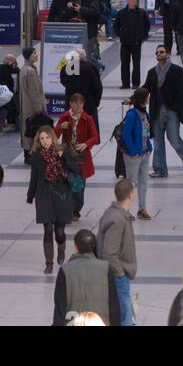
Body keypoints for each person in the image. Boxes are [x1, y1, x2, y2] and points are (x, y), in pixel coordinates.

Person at [27, 125, 79, 275]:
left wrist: (64, 157)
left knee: (59, 231)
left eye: (47, 138)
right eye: (42, 139)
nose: (45, 141)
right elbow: (34, 177)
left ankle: (61, 248)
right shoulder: (36, 155)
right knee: (47, 229)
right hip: (44, 195)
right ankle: (48, 263)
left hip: (61, 194)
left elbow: (76, 169)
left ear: (52, 138)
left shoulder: (63, 151)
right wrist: (30, 196)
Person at [52, 228, 118, 327]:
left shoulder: (65, 270)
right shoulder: (105, 268)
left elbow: (60, 307)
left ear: (76, 247)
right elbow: (113, 305)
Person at [144, 44, 183, 178]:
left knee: (174, 138)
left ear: (168, 54)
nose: (159, 54)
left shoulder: (176, 71)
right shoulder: (152, 72)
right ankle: (160, 169)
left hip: (171, 111)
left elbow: (182, 91)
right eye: (157, 53)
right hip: (157, 111)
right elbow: (145, 88)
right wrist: (132, 99)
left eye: (161, 52)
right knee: (158, 141)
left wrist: (176, 109)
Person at [97, 179, 137, 328]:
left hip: (119, 272)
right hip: (119, 274)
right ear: (131, 196)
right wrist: (120, 273)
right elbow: (109, 252)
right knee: (124, 317)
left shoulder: (115, 213)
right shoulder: (117, 218)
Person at [54, 94, 99, 215]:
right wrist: (60, 127)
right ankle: (67, 209)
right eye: (76, 103)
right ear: (70, 104)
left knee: (79, 185)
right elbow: (54, 135)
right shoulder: (65, 117)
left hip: (81, 157)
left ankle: (76, 210)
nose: (78, 106)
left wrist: (86, 144)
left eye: (81, 103)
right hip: (67, 155)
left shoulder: (87, 119)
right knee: (67, 182)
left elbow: (95, 137)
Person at [122, 87, 153, 220]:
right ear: (142, 99)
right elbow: (126, 134)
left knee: (143, 182)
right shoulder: (131, 114)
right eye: (147, 96)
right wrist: (133, 151)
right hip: (133, 155)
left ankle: (142, 208)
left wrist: (150, 147)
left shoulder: (146, 114)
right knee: (131, 182)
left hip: (145, 153)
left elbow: (147, 131)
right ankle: (125, 209)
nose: (149, 99)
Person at [59, 51, 103, 132]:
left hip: (71, 102)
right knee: (87, 130)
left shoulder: (66, 67)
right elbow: (97, 87)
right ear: (83, 57)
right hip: (88, 103)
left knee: (71, 129)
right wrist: (96, 102)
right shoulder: (90, 67)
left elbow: (63, 81)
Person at [18, 45, 48, 160]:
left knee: (28, 129)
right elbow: (35, 92)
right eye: (34, 53)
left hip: (26, 105)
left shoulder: (24, 69)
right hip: (32, 107)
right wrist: (39, 109)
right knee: (34, 130)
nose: (36, 55)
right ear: (28, 56)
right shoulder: (30, 71)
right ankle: (32, 154)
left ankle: (28, 153)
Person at [114, 0, 150, 89]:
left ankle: (136, 83)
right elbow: (116, 26)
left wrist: (142, 36)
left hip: (137, 43)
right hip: (125, 43)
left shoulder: (141, 12)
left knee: (136, 63)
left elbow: (147, 25)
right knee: (125, 63)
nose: (133, 0)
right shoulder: (121, 13)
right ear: (127, 0)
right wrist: (121, 35)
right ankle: (125, 83)